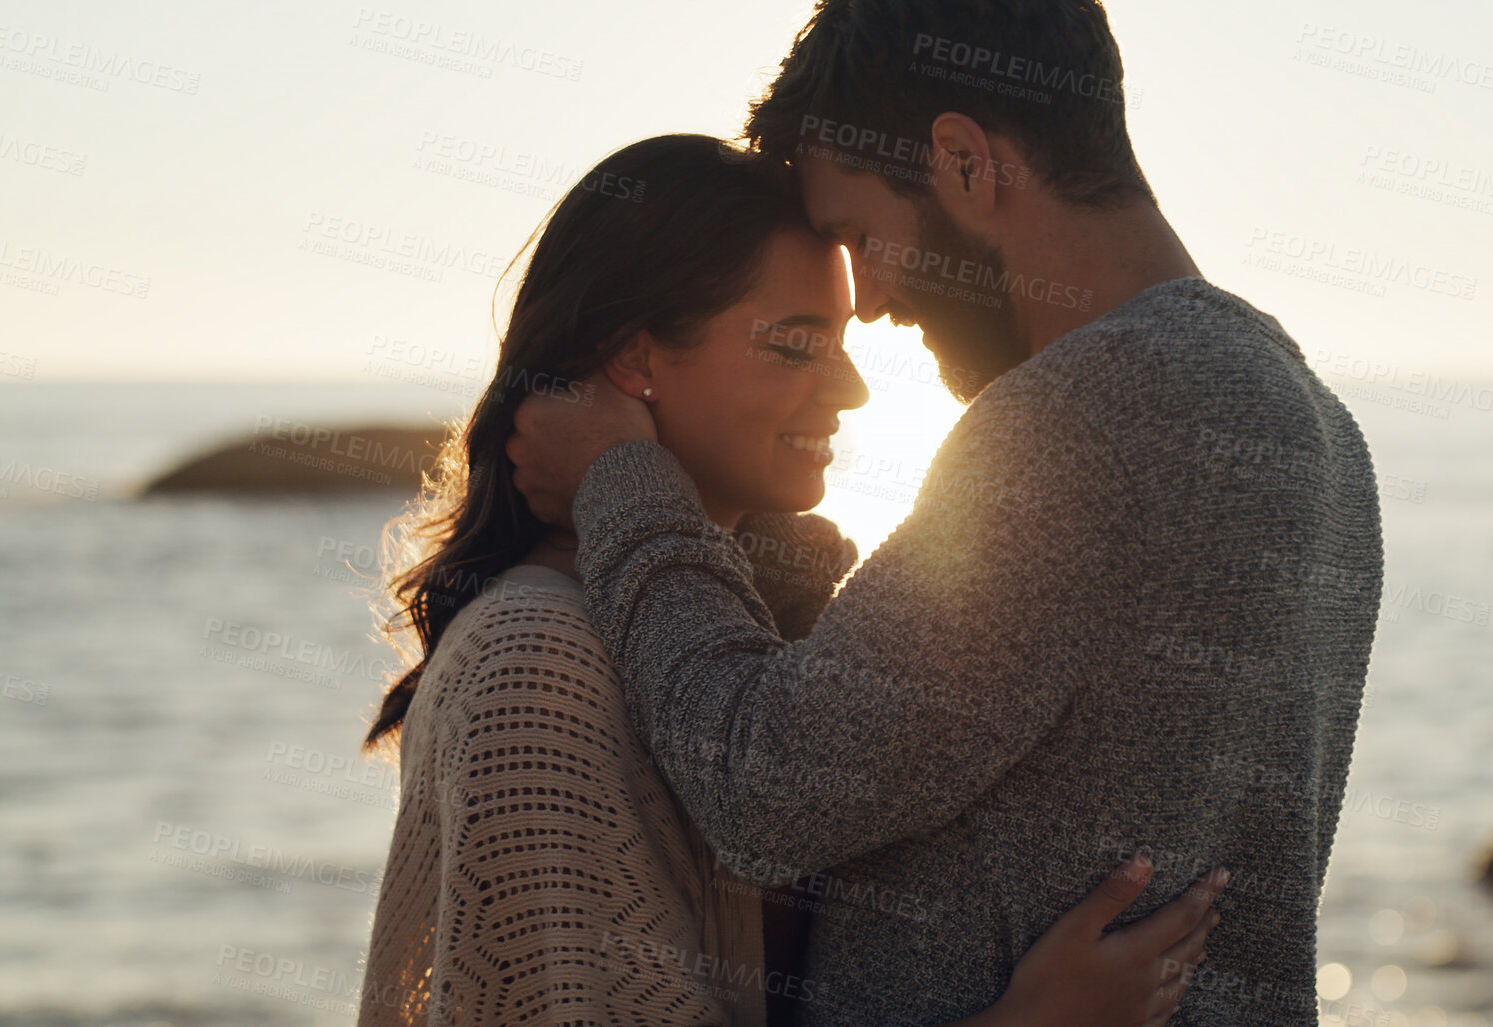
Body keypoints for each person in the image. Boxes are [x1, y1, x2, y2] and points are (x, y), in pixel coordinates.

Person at [503, 2, 1386, 1024]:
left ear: (966, 164)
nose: (869, 298)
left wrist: (620, 479)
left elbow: (763, 787)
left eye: (859, 235)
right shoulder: (1319, 425)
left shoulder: (1083, 417)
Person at [356, 133, 1223, 1027]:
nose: (850, 389)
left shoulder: (759, 636)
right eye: (794, 345)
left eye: (841, 339)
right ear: (636, 359)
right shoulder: (539, 661)